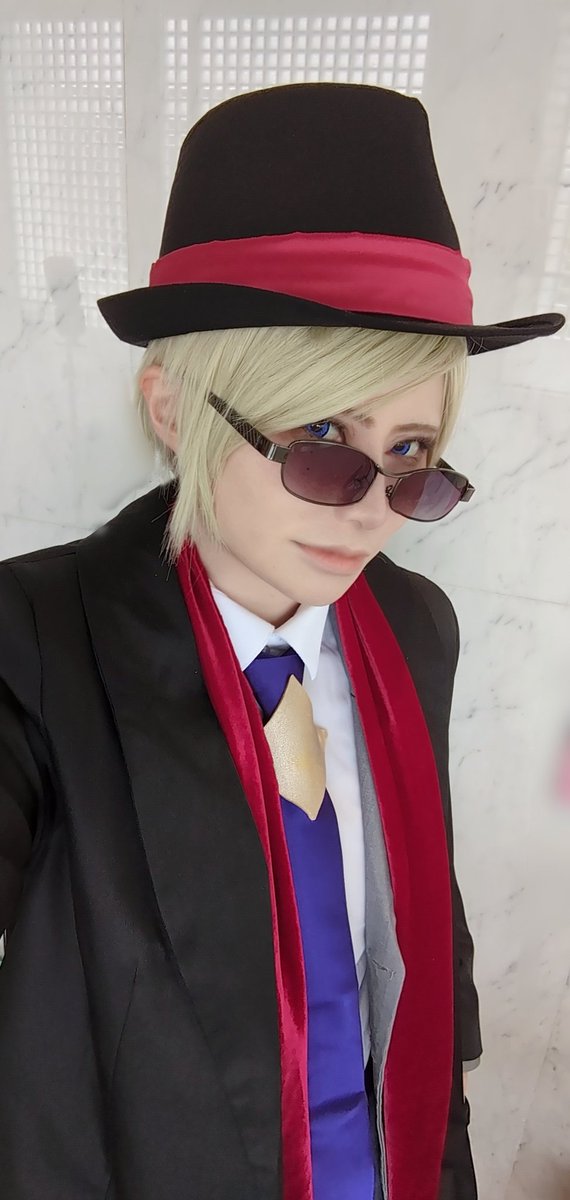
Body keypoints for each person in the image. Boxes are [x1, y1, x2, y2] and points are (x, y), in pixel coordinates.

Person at [0, 82, 563, 1200]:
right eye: (320, 436)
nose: (370, 510)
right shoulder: (34, 638)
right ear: (174, 410)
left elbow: (416, 936)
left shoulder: (416, 626)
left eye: (411, 455)